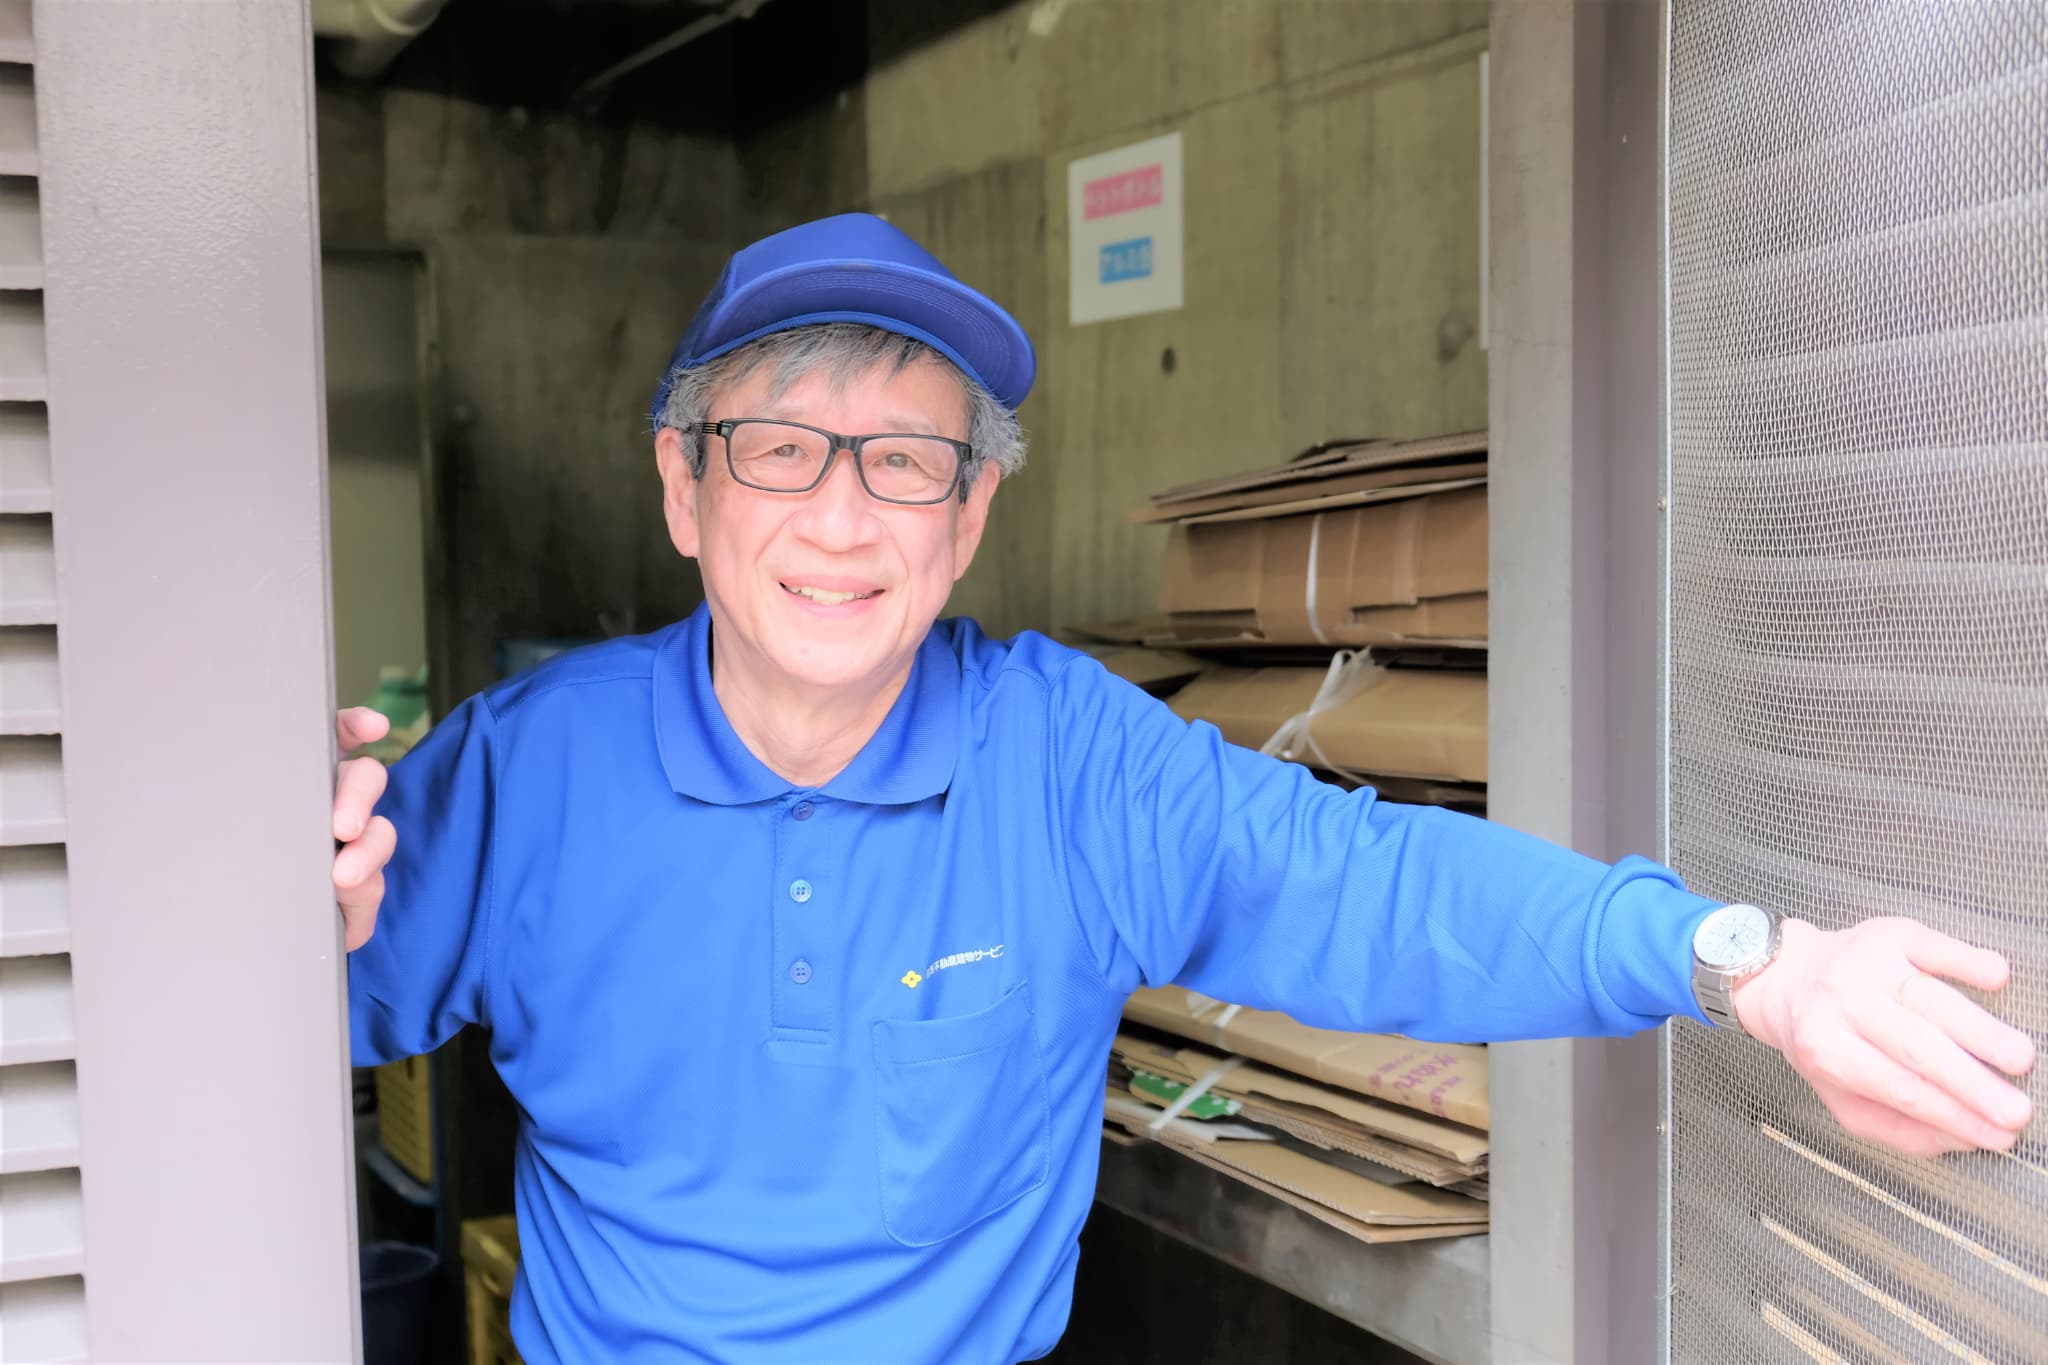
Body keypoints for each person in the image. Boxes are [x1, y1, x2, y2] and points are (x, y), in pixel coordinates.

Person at [331, 214, 2033, 1365]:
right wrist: (282, 909)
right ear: (686, 490)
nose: (843, 520)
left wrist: (1761, 962)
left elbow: (1382, 886)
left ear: (965, 521)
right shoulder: (525, 764)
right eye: (781, 448)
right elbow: (277, 1033)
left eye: (907, 462)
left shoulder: (1068, 761)